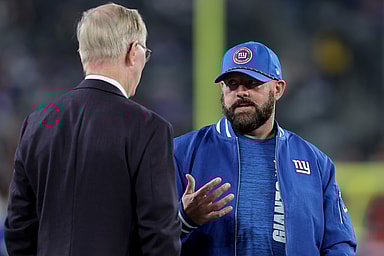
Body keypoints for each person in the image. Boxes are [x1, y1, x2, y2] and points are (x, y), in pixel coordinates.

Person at [4, 3, 181, 256]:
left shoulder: (35, 124)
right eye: (145, 52)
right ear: (133, 51)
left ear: (82, 53)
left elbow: (18, 230)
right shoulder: (149, 128)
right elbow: (159, 237)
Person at [174, 41, 356, 255]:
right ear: (222, 90)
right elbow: (145, 238)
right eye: (232, 84)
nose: (241, 92)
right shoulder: (181, 153)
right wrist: (183, 220)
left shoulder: (316, 163)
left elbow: (339, 244)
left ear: (277, 89)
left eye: (252, 83)